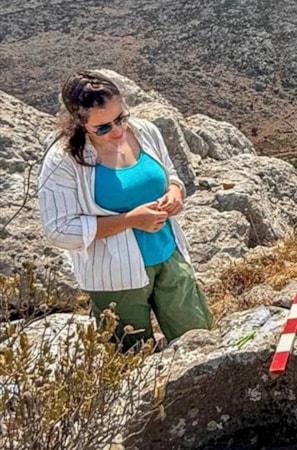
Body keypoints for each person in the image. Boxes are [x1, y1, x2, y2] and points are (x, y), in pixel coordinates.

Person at [37, 70, 214, 351]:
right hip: (115, 276)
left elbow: (169, 174)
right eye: (103, 128)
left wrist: (175, 193)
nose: (117, 131)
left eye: (120, 118)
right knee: (130, 357)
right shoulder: (64, 161)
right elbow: (59, 230)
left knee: (199, 340)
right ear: (79, 124)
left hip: (169, 255)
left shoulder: (145, 132)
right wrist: (130, 220)